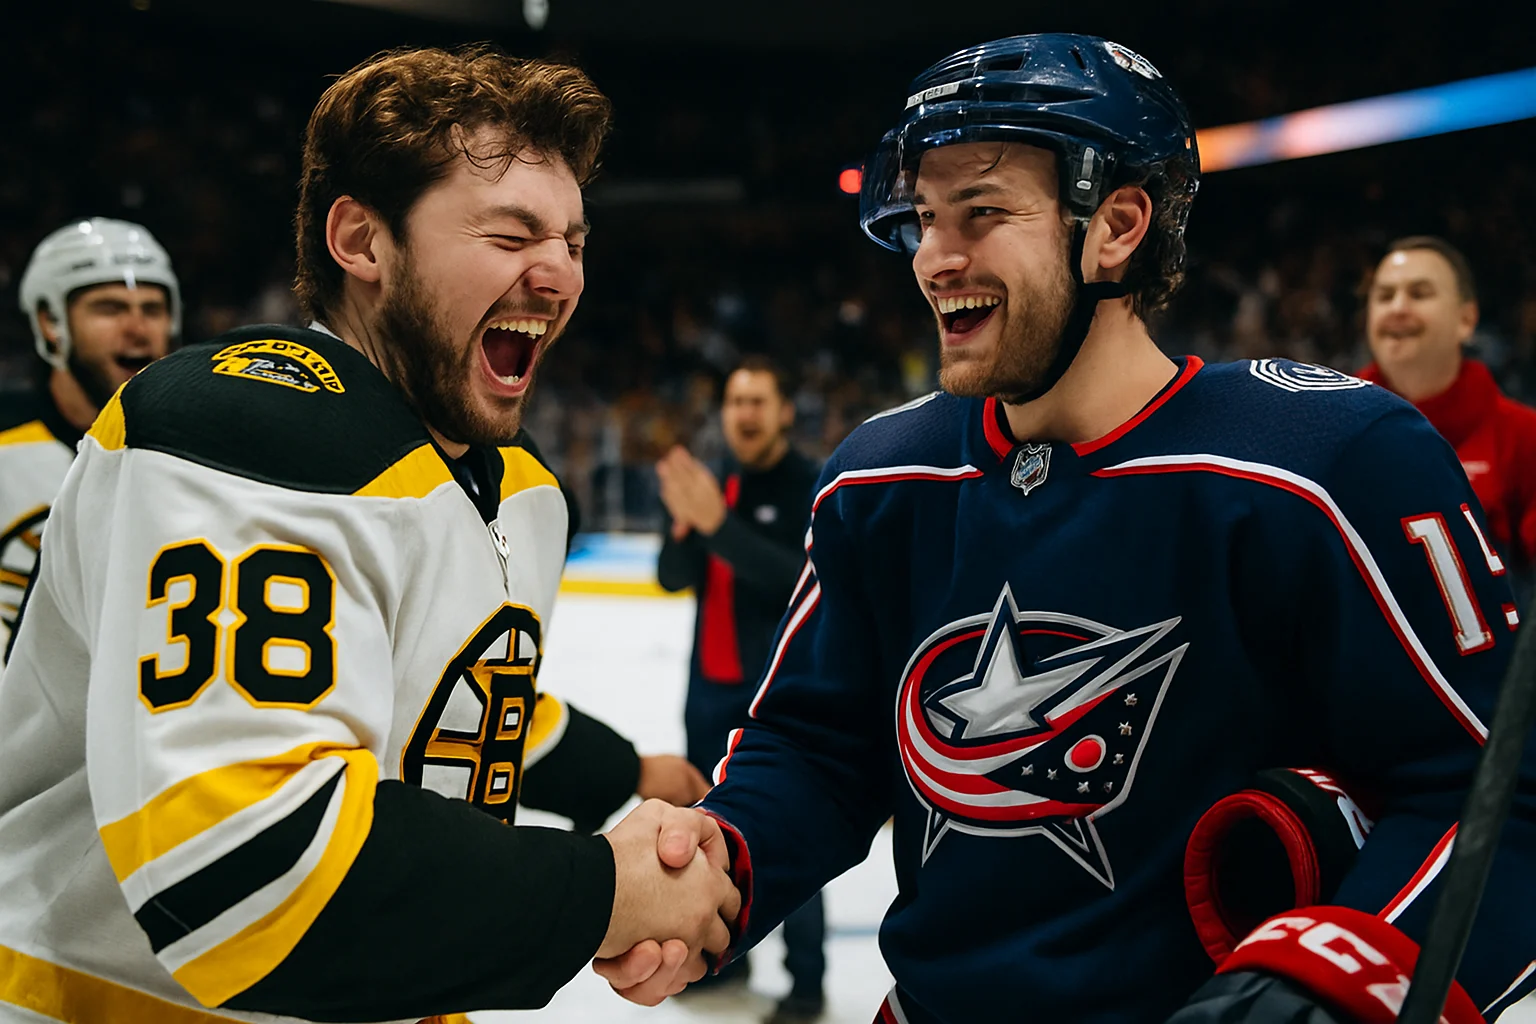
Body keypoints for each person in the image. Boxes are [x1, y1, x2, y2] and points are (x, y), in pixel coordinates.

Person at [596, 33, 1536, 1022]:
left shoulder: (1327, 460)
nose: (933, 258)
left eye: (983, 213)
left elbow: (1495, 798)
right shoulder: (881, 475)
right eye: (923, 216)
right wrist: (720, 858)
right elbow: (817, 746)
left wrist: (1333, 984)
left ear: (1119, 225)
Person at [0, 45, 734, 1024]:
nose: (559, 272)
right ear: (361, 240)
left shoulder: (521, 489)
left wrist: (623, 777)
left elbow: (449, 715)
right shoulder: (238, 432)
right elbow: (245, 879)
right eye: (513, 233)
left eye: (573, 239)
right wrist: (602, 892)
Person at [656, 355, 826, 1022]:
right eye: (734, 402)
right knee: (710, 840)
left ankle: (806, 981)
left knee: (790, 837)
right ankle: (732, 955)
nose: (744, 414)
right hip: (708, 692)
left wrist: (717, 526)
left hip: (776, 702)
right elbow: (673, 577)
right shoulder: (715, 481)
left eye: (758, 401)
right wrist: (686, 525)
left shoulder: (809, 487)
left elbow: (800, 583)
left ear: (785, 411)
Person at [1, 218, 178, 656]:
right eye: (110, 308)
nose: (138, 329)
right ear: (51, 323)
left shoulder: (201, 450)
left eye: (152, 309)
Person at [1357, 236, 1536, 579]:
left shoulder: (1525, 437)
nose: (1397, 308)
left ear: (1466, 320)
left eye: (1419, 294)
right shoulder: (1324, 430)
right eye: (1384, 296)